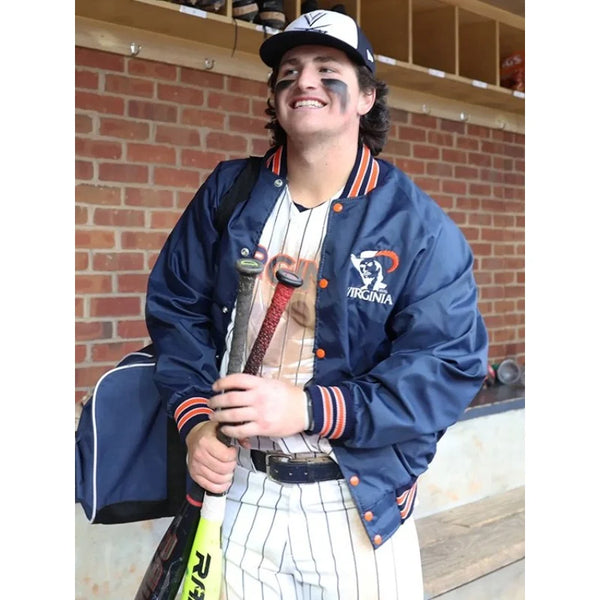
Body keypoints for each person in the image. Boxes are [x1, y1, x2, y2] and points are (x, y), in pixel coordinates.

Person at [145, 9, 488, 600]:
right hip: (241, 494)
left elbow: (448, 367)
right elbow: (177, 311)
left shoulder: (416, 227)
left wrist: (308, 407)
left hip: (354, 507)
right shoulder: (229, 192)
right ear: (276, 98)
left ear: (365, 97)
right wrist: (197, 423)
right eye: (289, 71)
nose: (304, 81)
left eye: (328, 69)